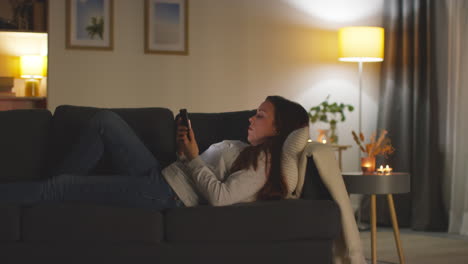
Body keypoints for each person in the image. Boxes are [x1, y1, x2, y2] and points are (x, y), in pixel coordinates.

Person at [0, 96, 309, 210]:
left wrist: (194, 157)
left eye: (260, 115)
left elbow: (220, 197)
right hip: (164, 176)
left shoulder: (264, 164)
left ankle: (45, 194)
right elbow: (198, 170)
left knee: (61, 187)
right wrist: (185, 153)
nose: (251, 118)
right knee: (104, 122)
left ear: (278, 129)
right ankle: (46, 195)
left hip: (166, 194)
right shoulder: (247, 149)